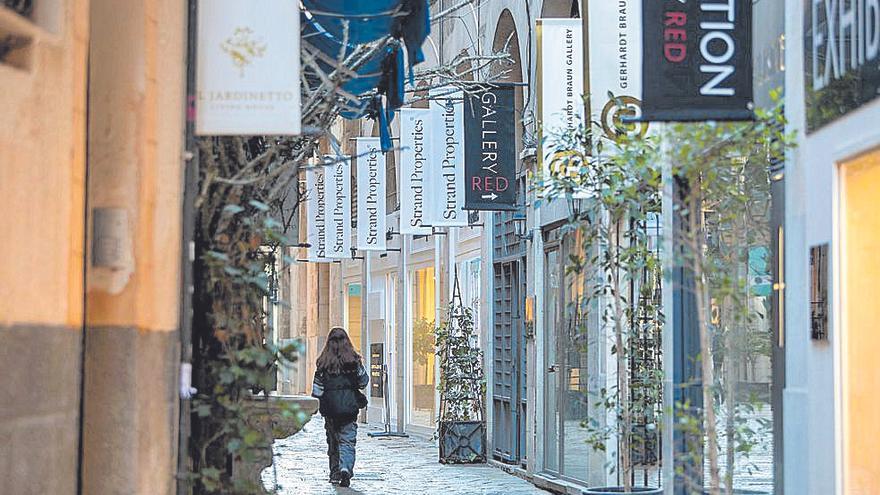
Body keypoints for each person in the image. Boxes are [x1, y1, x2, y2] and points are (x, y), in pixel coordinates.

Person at [311, 327, 369, 487]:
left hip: (330, 409)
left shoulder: (323, 363)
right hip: (349, 408)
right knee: (347, 441)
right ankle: (346, 468)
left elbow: (317, 389)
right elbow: (364, 381)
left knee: (333, 442)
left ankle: (335, 473)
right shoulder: (354, 361)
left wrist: (317, 402)